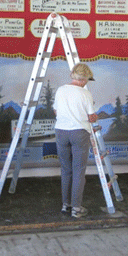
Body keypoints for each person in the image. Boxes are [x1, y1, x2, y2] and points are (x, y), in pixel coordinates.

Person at [53, 63, 98, 219]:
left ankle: (66, 205)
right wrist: (93, 116)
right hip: (79, 132)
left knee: (66, 170)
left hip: (61, 131)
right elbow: (91, 117)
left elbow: (55, 111)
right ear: (84, 79)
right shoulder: (85, 94)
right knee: (78, 170)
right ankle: (76, 208)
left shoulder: (60, 90)